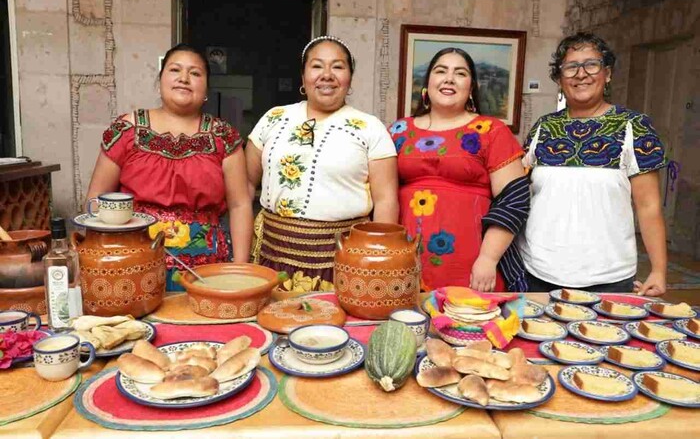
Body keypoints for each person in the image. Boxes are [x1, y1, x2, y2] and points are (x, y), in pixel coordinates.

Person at [85, 44, 253, 291]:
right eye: (175, 70)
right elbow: (96, 201)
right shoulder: (127, 130)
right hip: (134, 261)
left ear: (206, 87)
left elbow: (240, 205)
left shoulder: (223, 136)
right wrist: (101, 258)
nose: (184, 79)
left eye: (195, 73)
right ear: (160, 80)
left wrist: (239, 270)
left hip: (208, 266)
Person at [519, 32, 668, 296]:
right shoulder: (543, 127)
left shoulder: (634, 126)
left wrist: (658, 269)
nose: (581, 74)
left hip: (608, 277)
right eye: (571, 67)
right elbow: (520, 190)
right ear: (559, 78)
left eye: (591, 64)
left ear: (607, 73)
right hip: (538, 271)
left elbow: (648, 206)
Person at [245, 36, 398, 286]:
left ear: (350, 79)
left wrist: (377, 261)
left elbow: (386, 201)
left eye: (338, 66)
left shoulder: (370, 128)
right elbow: (246, 186)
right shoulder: (273, 118)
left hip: (344, 260)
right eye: (317, 66)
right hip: (271, 254)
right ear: (304, 76)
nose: (327, 75)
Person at [389, 48, 529, 293]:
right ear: (428, 83)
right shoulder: (398, 131)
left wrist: (488, 259)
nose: (449, 78)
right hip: (402, 263)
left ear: (471, 87)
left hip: (474, 265)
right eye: (440, 71)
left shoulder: (492, 131)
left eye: (460, 73)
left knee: (468, 329)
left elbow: (514, 201)